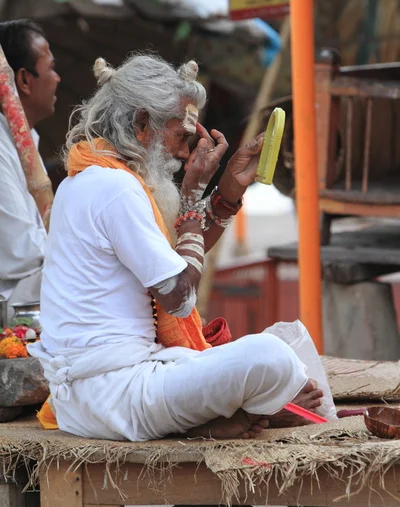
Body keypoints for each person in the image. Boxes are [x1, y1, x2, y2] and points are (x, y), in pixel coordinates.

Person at [29, 54, 322, 443]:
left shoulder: (90, 179)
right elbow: (179, 294)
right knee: (273, 359)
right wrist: (190, 199)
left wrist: (226, 192)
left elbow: (175, 259)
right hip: (112, 394)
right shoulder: (113, 189)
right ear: (141, 123)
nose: (185, 154)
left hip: (101, 391)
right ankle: (261, 404)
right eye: (182, 137)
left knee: (284, 349)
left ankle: (224, 415)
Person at [0, 20, 61, 317]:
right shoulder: (0, 148)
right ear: (24, 80)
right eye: (50, 68)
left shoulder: (26, 140)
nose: (57, 78)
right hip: (14, 304)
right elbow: (19, 252)